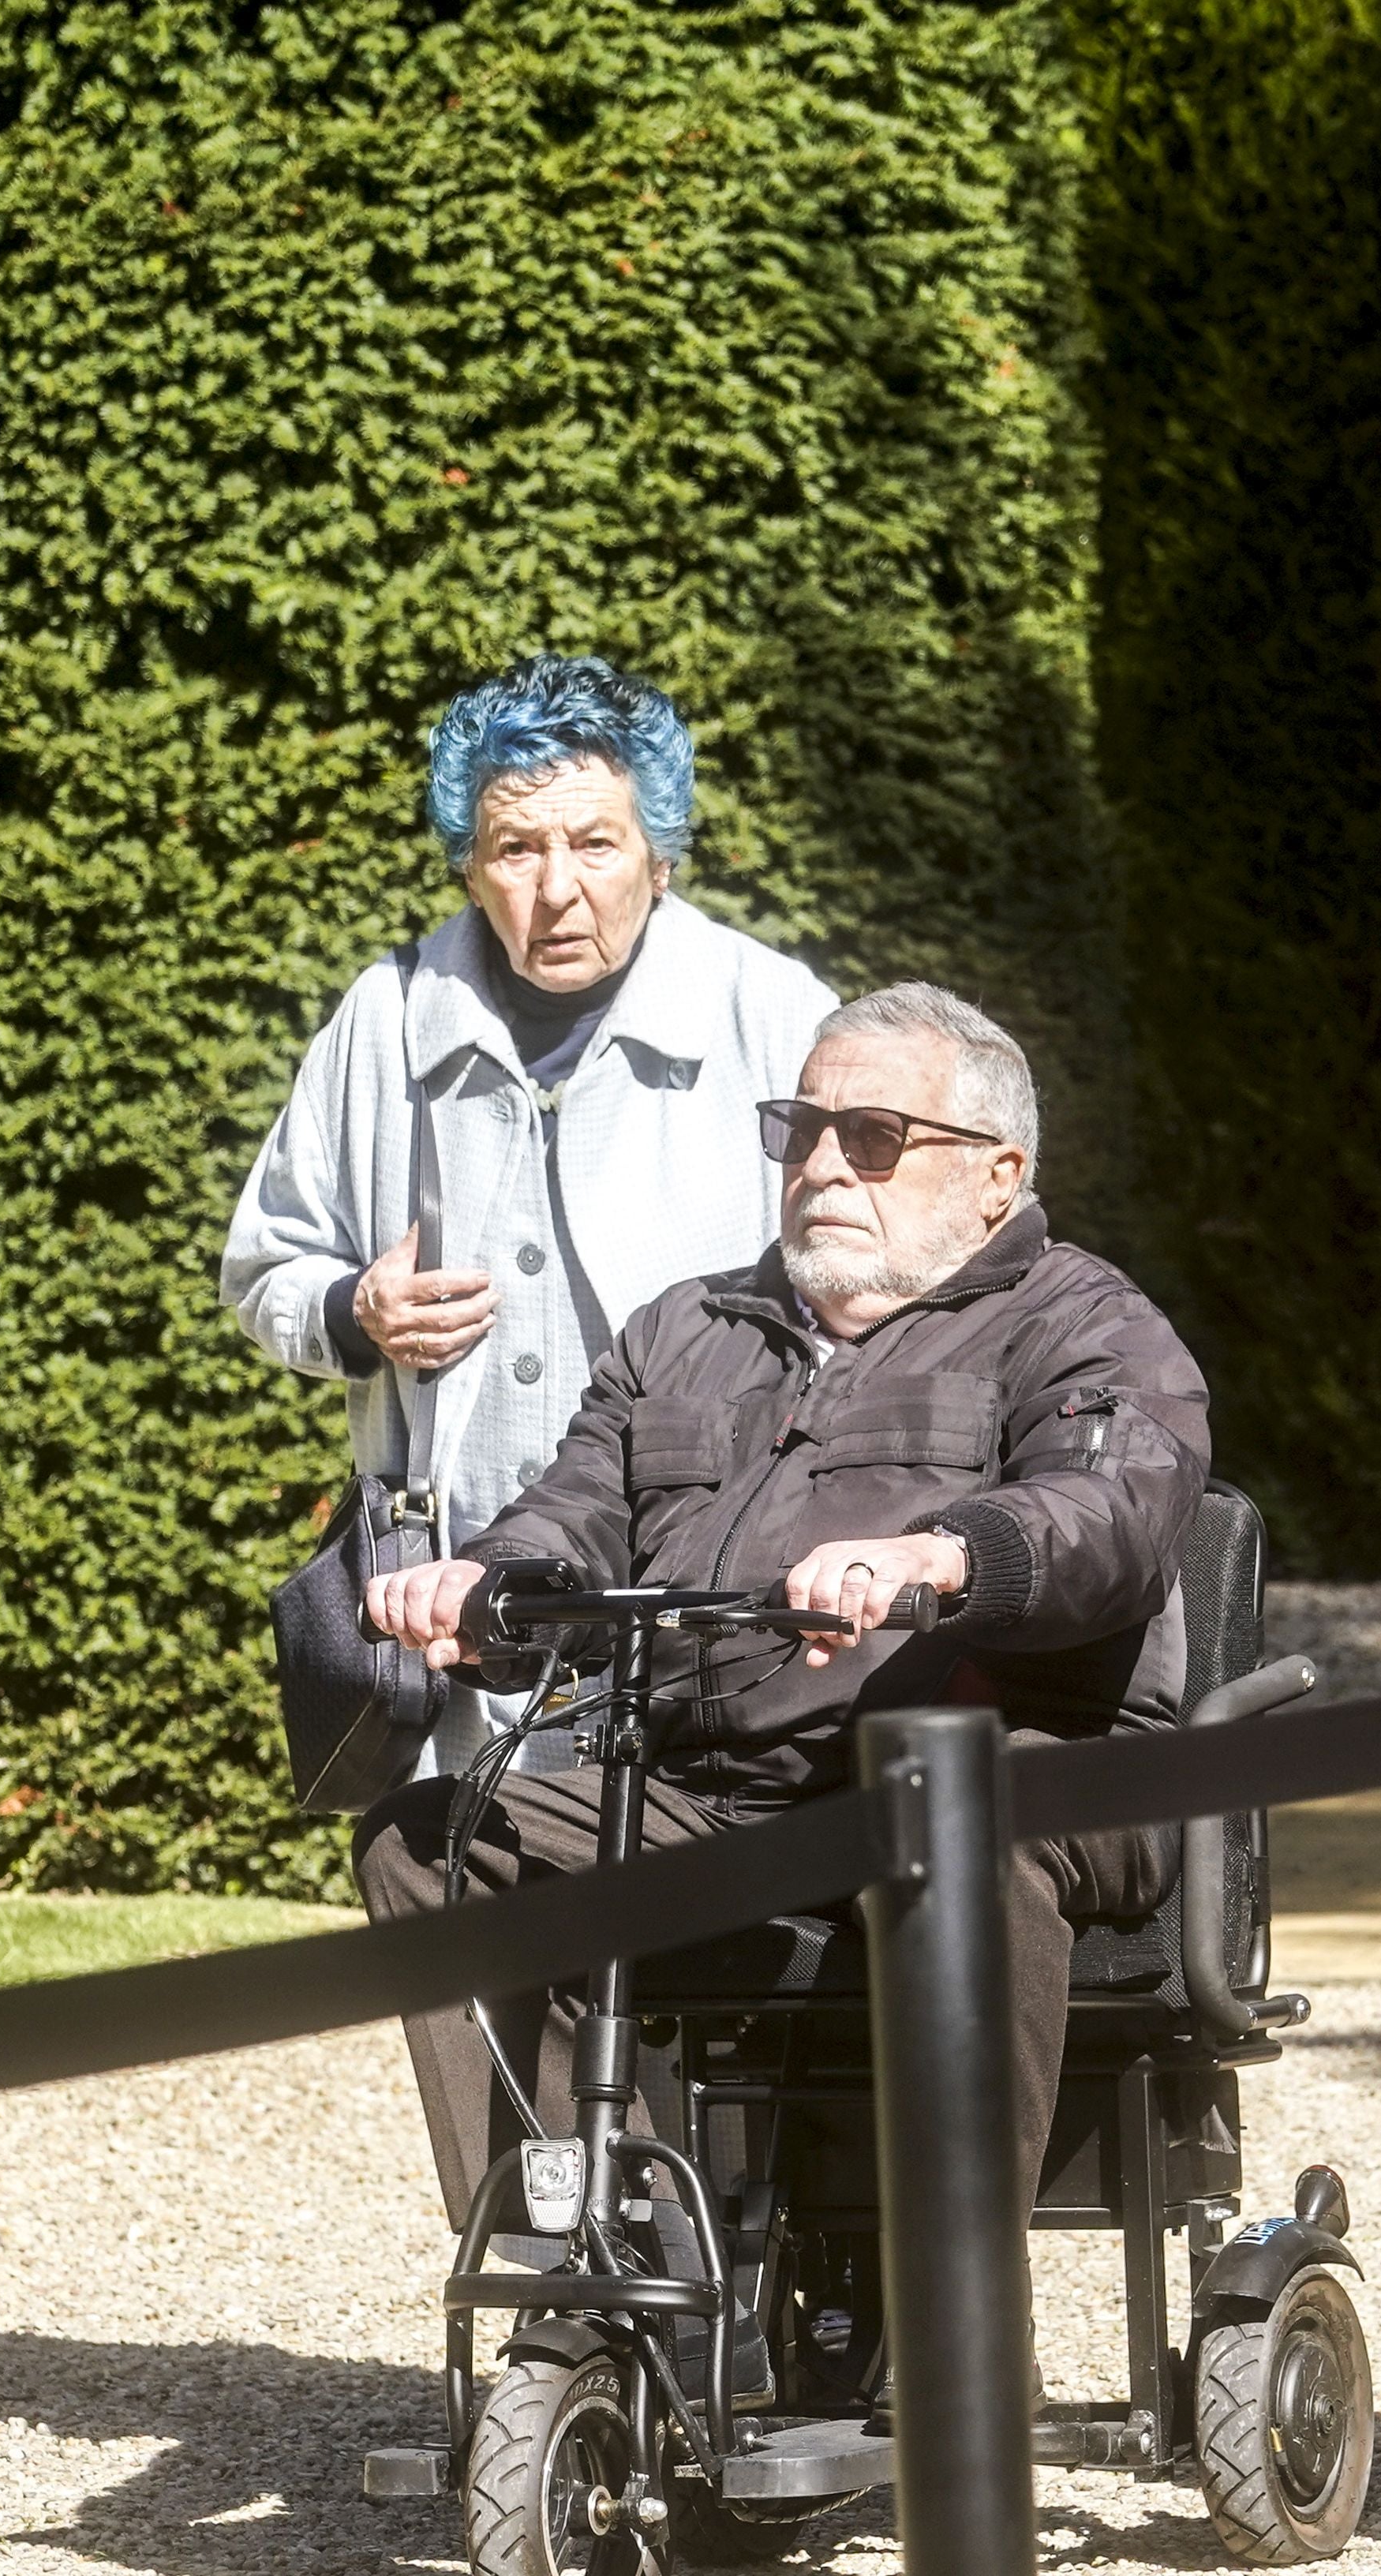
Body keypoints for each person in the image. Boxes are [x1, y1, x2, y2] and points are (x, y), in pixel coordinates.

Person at [352, 982, 1209, 2215]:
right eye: (799, 1130)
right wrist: (485, 1584)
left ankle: (954, 2334)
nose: (820, 1166)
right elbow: (574, 1511)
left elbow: (1115, 1511)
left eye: (872, 1138)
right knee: (430, 1842)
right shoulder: (685, 1331)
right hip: (717, 1793)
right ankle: (611, 2266)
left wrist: (939, 1558)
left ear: (997, 1174)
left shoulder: (1084, 1324)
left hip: (1008, 1765)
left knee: (957, 1810)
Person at [224, 654, 839, 1777]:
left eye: (595, 843)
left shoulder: (776, 1016)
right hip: (448, 1611)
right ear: (469, 869)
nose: (557, 888)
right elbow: (264, 1271)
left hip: (704, 1604)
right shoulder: (385, 1021)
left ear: (660, 858)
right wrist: (354, 1314)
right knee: (458, 1905)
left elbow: (884, 1292)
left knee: (679, 1926)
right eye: (515, 848)